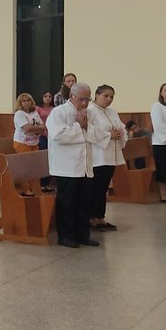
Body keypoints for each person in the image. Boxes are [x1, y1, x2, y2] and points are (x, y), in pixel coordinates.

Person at [46, 82, 100, 248]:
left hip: (84, 164)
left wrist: (85, 126)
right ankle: (66, 236)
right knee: (67, 202)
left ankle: (83, 234)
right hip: (66, 165)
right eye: (82, 99)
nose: (85, 103)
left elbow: (97, 134)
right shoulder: (59, 112)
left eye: (88, 99)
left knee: (84, 202)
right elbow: (58, 135)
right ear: (72, 96)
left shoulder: (88, 113)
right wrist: (79, 126)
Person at [86, 84, 126, 231]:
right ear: (97, 95)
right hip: (98, 155)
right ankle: (91, 218)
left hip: (111, 155)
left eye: (111, 97)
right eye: (106, 96)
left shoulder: (112, 111)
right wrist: (110, 135)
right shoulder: (90, 111)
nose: (109, 99)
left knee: (103, 188)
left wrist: (121, 133)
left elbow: (121, 126)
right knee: (95, 188)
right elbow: (90, 131)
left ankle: (101, 217)